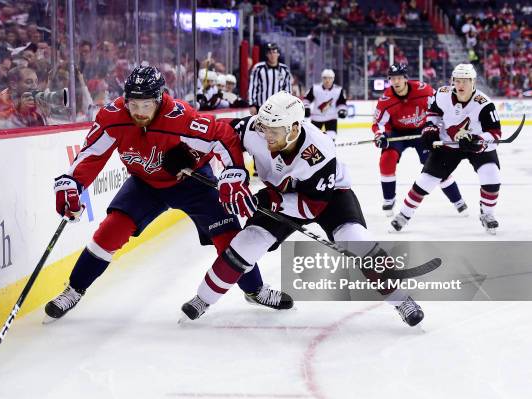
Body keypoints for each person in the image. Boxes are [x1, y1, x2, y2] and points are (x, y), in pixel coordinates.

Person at [44, 66, 292, 321]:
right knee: (111, 230)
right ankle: (74, 289)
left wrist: (233, 175)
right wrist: (72, 182)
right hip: (145, 184)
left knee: (228, 239)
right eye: (133, 104)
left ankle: (255, 289)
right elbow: (91, 154)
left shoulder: (181, 117)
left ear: (159, 99)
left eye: (146, 105)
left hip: (192, 182)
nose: (139, 113)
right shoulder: (113, 116)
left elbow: (223, 136)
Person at [180, 91, 424, 327]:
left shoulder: (320, 151)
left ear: (294, 128)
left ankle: (402, 300)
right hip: (279, 194)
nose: (267, 136)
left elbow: (311, 207)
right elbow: (218, 136)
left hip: (330, 198)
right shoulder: (256, 128)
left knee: (356, 240)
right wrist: (188, 157)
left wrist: (269, 201)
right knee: (247, 243)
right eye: (265, 129)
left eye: (274, 131)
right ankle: (202, 299)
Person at [390, 64, 502, 235]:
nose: (461, 85)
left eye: (465, 81)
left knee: (492, 176)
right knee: (424, 181)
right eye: (457, 80)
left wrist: (478, 142)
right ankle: (404, 215)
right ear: (452, 81)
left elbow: (495, 134)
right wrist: (430, 129)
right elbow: (433, 114)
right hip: (448, 144)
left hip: (475, 145)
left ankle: (487, 213)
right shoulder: (442, 94)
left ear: (473, 82)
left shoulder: (484, 104)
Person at [373, 63, 467, 216]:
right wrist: (380, 136)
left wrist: (444, 126)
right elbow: (379, 123)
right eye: (392, 79)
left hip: (422, 131)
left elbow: (441, 105)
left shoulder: (423, 90)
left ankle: (458, 200)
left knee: (436, 163)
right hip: (397, 133)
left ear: (405, 79)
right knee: (386, 159)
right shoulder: (386, 99)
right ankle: (389, 199)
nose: (396, 82)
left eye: (399, 78)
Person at [0, 66, 48, 130]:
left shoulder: (33, 104)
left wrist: (42, 113)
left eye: (36, 82)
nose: (35, 87)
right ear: (13, 85)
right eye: (29, 82)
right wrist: (19, 112)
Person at [302, 68, 348, 139]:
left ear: (333, 79)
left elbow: (341, 103)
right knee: (314, 139)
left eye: (330, 78)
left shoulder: (338, 90)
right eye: (325, 78)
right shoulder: (315, 88)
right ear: (322, 79)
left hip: (331, 118)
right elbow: (306, 99)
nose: (327, 80)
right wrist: (306, 108)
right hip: (316, 118)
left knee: (331, 139)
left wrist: (342, 110)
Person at [247, 43, 291, 115]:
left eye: (274, 52)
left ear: (278, 54)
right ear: (267, 54)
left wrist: (288, 105)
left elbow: (287, 90)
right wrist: (252, 104)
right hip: (261, 107)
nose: (272, 55)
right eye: (270, 53)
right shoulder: (258, 68)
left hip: (279, 108)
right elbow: (253, 87)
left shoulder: (284, 69)